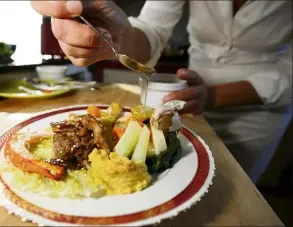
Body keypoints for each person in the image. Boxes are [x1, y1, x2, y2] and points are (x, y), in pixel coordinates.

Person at [31, 0, 292, 183]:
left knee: (234, 188)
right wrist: (118, 36)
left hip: (258, 111)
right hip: (188, 105)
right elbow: (153, 29)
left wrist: (212, 96)